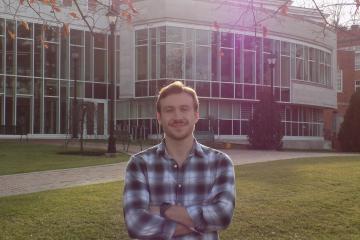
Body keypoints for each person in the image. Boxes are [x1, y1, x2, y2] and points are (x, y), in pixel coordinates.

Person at [123, 81, 235, 239]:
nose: (177, 116)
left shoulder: (220, 163)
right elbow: (136, 224)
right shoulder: (139, 164)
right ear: (159, 117)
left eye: (184, 109)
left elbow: (223, 215)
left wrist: (163, 210)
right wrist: (201, 223)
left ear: (196, 115)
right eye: (169, 110)